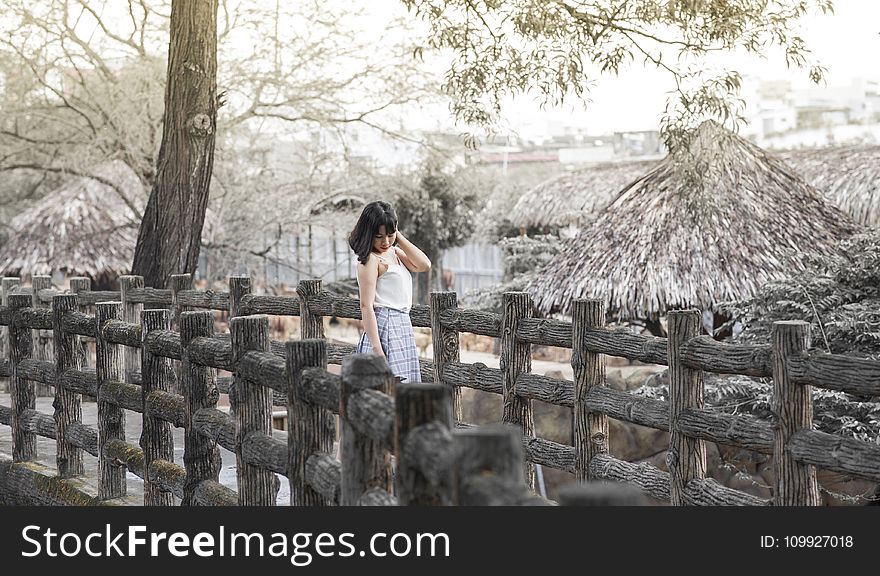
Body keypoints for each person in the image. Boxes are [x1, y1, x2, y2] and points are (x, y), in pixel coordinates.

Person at [348, 201, 431, 383]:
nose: (385, 242)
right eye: (379, 236)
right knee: (387, 393)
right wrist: (378, 352)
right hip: (384, 328)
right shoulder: (370, 260)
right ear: (369, 234)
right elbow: (366, 306)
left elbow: (424, 265)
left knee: (404, 394)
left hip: (402, 326)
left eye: (389, 235)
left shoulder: (394, 253)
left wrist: (397, 235)